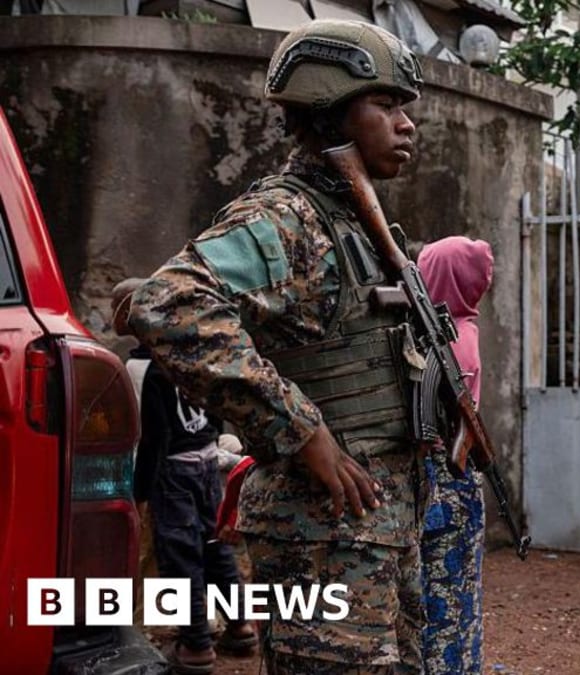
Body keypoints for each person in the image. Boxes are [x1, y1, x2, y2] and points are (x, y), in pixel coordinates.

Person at [129, 19, 430, 674]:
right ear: (330, 109)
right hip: (320, 535)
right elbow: (169, 303)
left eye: (406, 107)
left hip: (377, 533)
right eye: (386, 103)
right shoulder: (288, 216)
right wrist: (301, 429)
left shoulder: (356, 221)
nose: (407, 123)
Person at [113, 278, 258, 674]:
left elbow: (151, 439)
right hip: (207, 466)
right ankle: (241, 625)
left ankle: (195, 647)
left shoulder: (141, 368)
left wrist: (140, 494)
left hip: (172, 474)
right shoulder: (190, 357)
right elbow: (214, 410)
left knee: (181, 558)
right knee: (214, 548)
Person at [415, 235, 494, 675]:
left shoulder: (452, 337)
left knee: (444, 592)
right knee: (454, 589)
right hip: (452, 480)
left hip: (446, 475)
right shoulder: (460, 330)